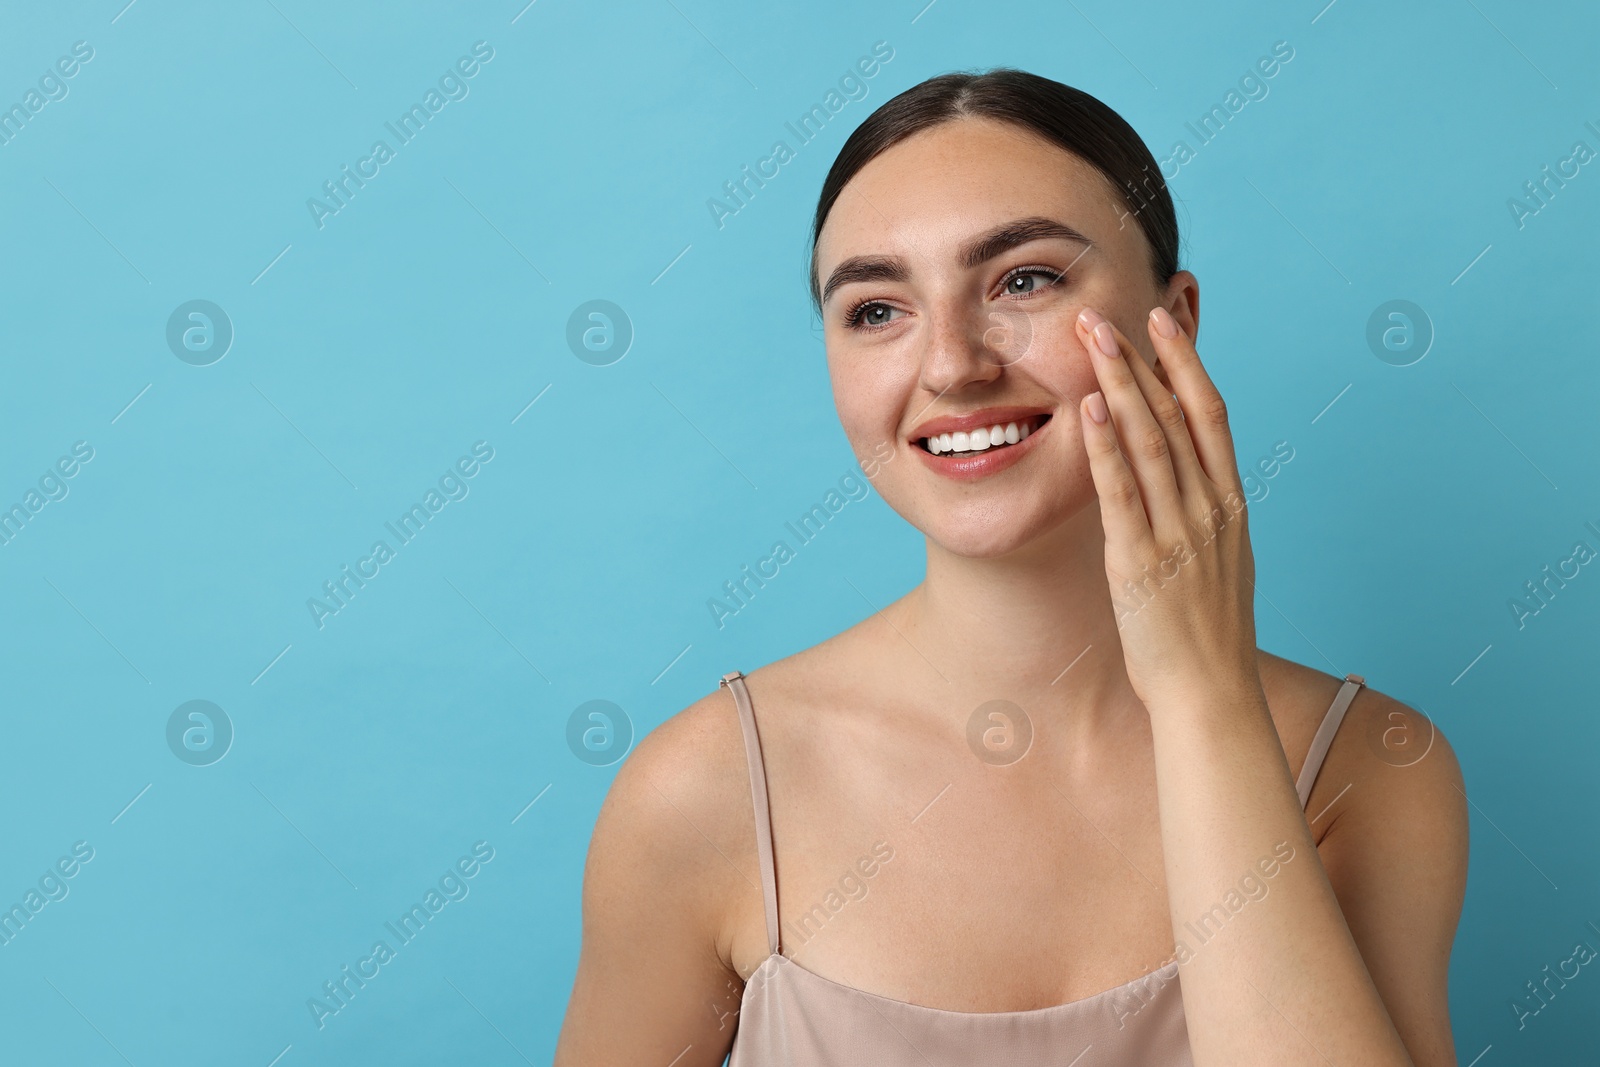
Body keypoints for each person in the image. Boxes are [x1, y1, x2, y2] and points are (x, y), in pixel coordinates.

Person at [554, 68, 1467, 1066]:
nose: (951, 364)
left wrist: (1206, 700)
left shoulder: (1372, 767)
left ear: (1177, 323)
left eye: (1023, 279)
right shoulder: (706, 791)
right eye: (874, 309)